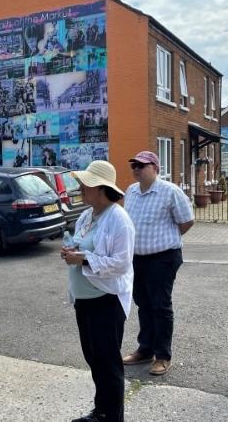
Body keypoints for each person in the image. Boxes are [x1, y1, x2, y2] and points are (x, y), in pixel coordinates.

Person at [61, 161, 135, 422]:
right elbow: (81, 244)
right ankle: (101, 411)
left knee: (108, 364)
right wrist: (71, 251)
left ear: (101, 188)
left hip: (106, 301)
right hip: (84, 299)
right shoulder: (87, 215)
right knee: (94, 359)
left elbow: (121, 263)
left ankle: (112, 417)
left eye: (86, 184)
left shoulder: (119, 220)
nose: (80, 188)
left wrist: (82, 259)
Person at [121, 151, 194, 376]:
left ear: (155, 168)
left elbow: (186, 221)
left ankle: (163, 355)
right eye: (134, 165)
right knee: (143, 303)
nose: (136, 169)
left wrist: (166, 239)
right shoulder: (131, 191)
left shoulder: (170, 191)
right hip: (136, 258)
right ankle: (145, 349)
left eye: (142, 165)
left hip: (163, 258)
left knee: (160, 305)